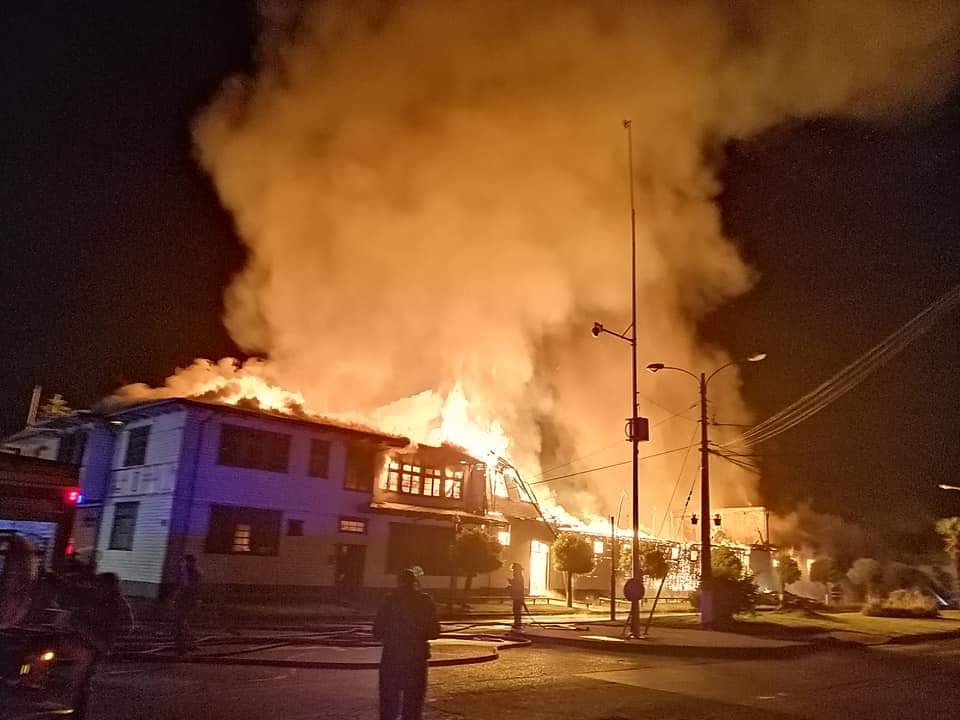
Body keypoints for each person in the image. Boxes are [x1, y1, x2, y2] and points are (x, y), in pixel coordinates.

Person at [372, 567, 440, 720]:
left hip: (392, 657)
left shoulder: (389, 601)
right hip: (416, 657)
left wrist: (393, 635)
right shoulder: (425, 601)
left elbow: (377, 631)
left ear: (399, 582)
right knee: (413, 703)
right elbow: (435, 631)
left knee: (389, 702)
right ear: (415, 583)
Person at [68, 572, 134, 720]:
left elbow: (127, 625)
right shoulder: (93, 598)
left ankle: (78, 713)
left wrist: (108, 635)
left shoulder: (117, 604)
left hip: (96, 646)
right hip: (84, 642)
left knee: (82, 680)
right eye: (98, 584)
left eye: (103, 584)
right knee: (80, 679)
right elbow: (76, 610)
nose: (99, 587)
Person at [172, 554, 201, 655]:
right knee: (181, 623)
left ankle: (183, 646)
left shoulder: (194, 573)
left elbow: (191, 587)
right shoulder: (184, 572)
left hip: (187, 601)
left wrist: (196, 601)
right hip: (182, 600)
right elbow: (179, 585)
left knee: (180, 623)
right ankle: (186, 644)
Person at [507, 562, 525, 629]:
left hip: (518, 597)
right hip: (517, 597)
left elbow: (518, 587)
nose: (513, 571)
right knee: (516, 610)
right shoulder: (518, 577)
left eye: (514, 569)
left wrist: (511, 587)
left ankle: (517, 623)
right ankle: (517, 622)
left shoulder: (518, 577)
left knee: (516, 610)